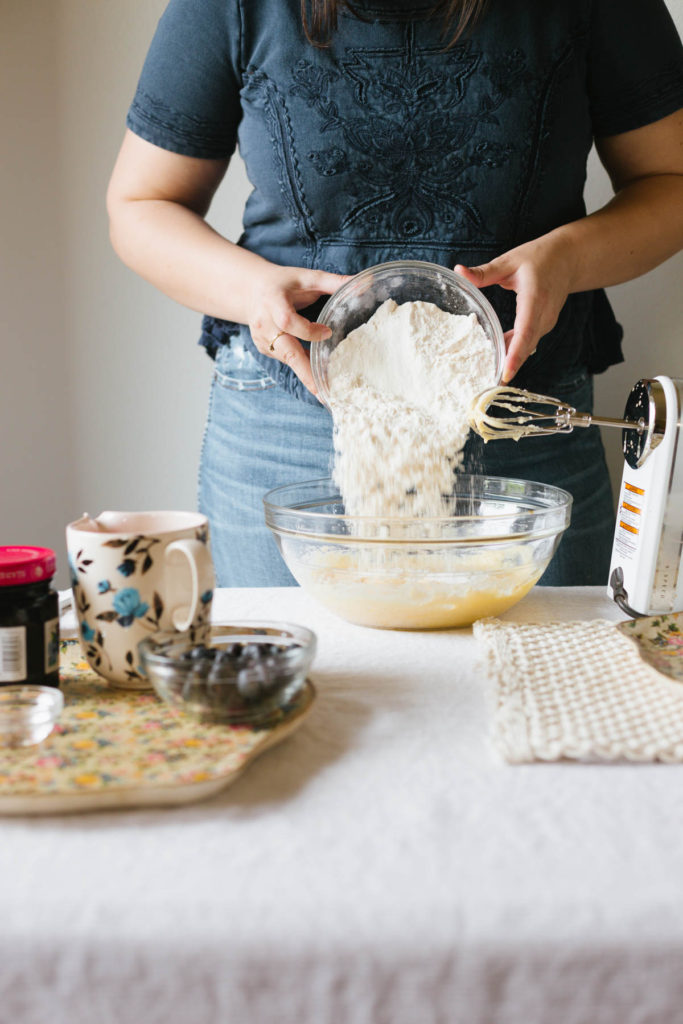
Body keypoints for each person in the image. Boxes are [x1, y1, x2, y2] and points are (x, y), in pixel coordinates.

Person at [107, 0, 683, 587]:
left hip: (520, 419)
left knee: (532, 675)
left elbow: (670, 181)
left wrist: (569, 259)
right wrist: (252, 290)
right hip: (288, 423)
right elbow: (142, 205)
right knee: (301, 673)